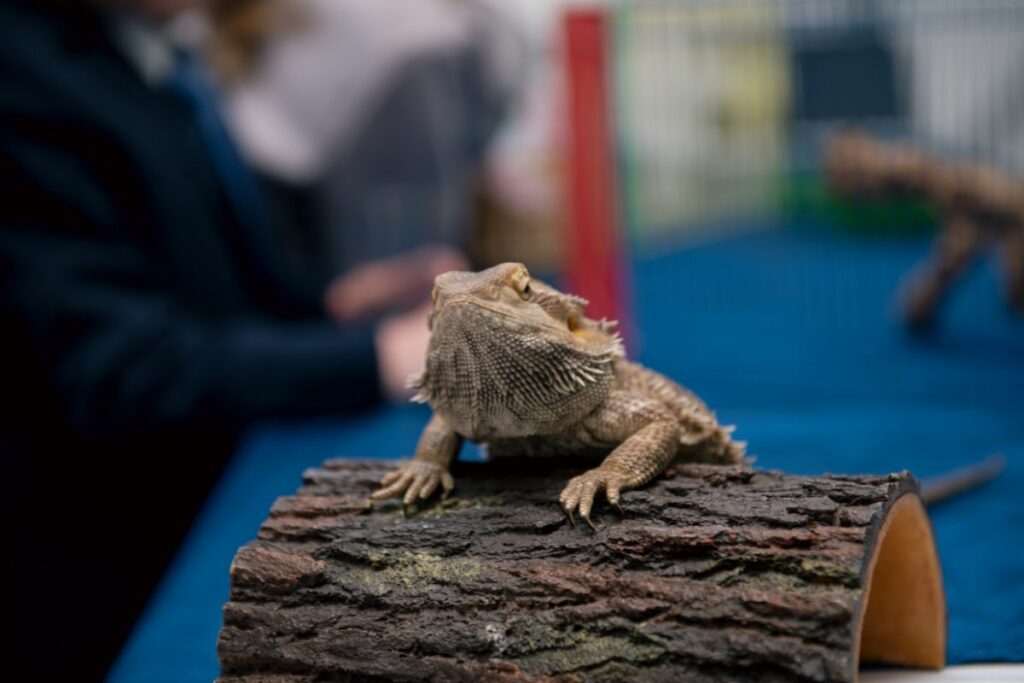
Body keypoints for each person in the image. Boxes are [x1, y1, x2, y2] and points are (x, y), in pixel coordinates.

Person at [0, 0, 461, 677]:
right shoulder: (21, 72)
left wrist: (337, 302)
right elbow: (121, 366)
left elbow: (198, 275)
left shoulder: (139, 45)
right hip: (104, 579)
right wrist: (375, 358)